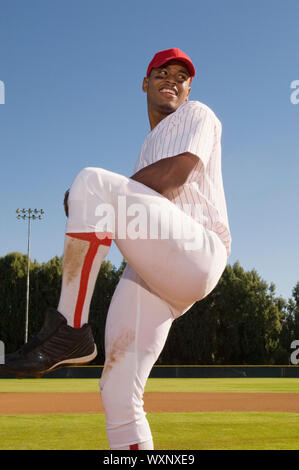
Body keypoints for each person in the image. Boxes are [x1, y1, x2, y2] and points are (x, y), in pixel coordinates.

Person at [1, 48, 231, 450]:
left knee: (90, 182)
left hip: (199, 250)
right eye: (162, 72)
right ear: (145, 83)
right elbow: (140, 208)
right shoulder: (146, 147)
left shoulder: (199, 115)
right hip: (155, 272)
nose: (172, 79)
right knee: (117, 390)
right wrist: (105, 204)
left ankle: (70, 329)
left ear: (190, 88)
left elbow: (176, 176)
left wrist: (100, 200)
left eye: (181, 75)